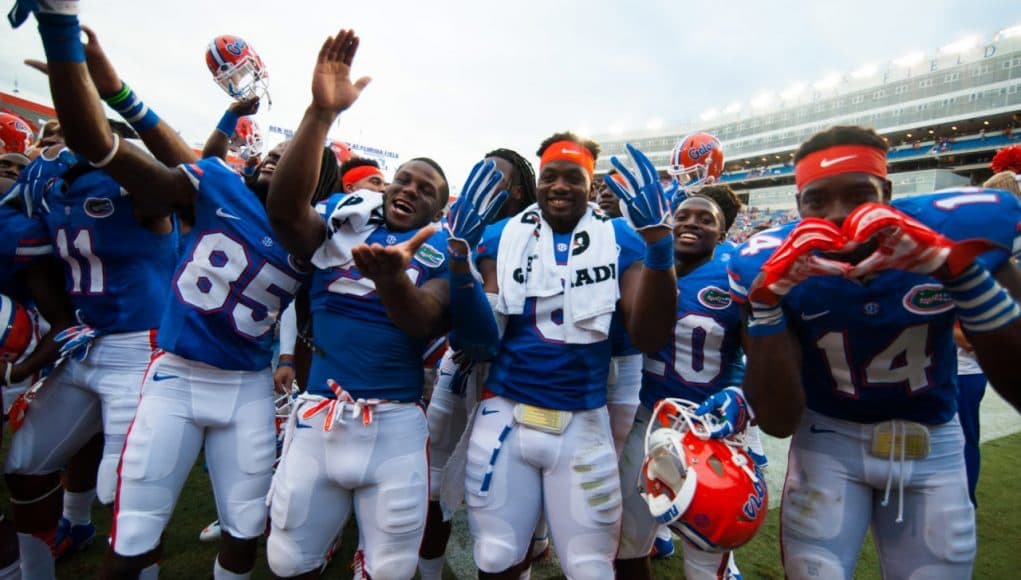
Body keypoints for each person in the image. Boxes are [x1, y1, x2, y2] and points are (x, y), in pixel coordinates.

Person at [262, 27, 504, 579]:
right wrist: (320, 115)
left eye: (426, 189)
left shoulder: (444, 248)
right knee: (286, 559)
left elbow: (423, 320)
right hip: (320, 411)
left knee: (392, 569)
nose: (410, 190)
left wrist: (393, 280)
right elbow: (283, 213)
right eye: (405, 180)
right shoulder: (347, 217)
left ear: (440, 208)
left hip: (393, 423)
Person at [728, 125, 1021, 579]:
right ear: (798, 204)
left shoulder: (954, 228)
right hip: (828, 441)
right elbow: (780, 422)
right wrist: (765, 307)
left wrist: (961, 274)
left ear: (887, 192)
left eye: (860, 195)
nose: (840, 216)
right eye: (817, 201)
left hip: (932, 442)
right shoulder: (767, 260)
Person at [464, 134, 677, 579]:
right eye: (550, 177)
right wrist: (456, 260)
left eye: (573, 177)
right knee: (496, 555)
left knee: (590, 566)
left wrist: (659, 249)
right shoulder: (503, 235)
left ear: (590, 181)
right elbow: (481, 332)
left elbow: (649, 333)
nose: (559, 186)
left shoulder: (620, 237)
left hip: (581, 415)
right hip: (506, 409)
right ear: (538, 181)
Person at [616, 194, 757, 580]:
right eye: (683, 216)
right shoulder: (645, 268)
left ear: (723, 232)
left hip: (711, 432)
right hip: (651, 422)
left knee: (707, 555)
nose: (692, 223)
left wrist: (744, 402)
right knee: (626, 545)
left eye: (705, 219)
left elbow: (760, 359)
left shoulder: (736, 273)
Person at [418, 147, 537, 580]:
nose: (482, 183)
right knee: (433, 480)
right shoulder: (454, 228)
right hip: (462, 363)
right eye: (478, 173)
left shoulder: (523, 230)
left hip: (512, 373)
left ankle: (533, 544)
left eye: (495, 177)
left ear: (519, 191)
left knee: (517, 491)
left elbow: (488, 330)